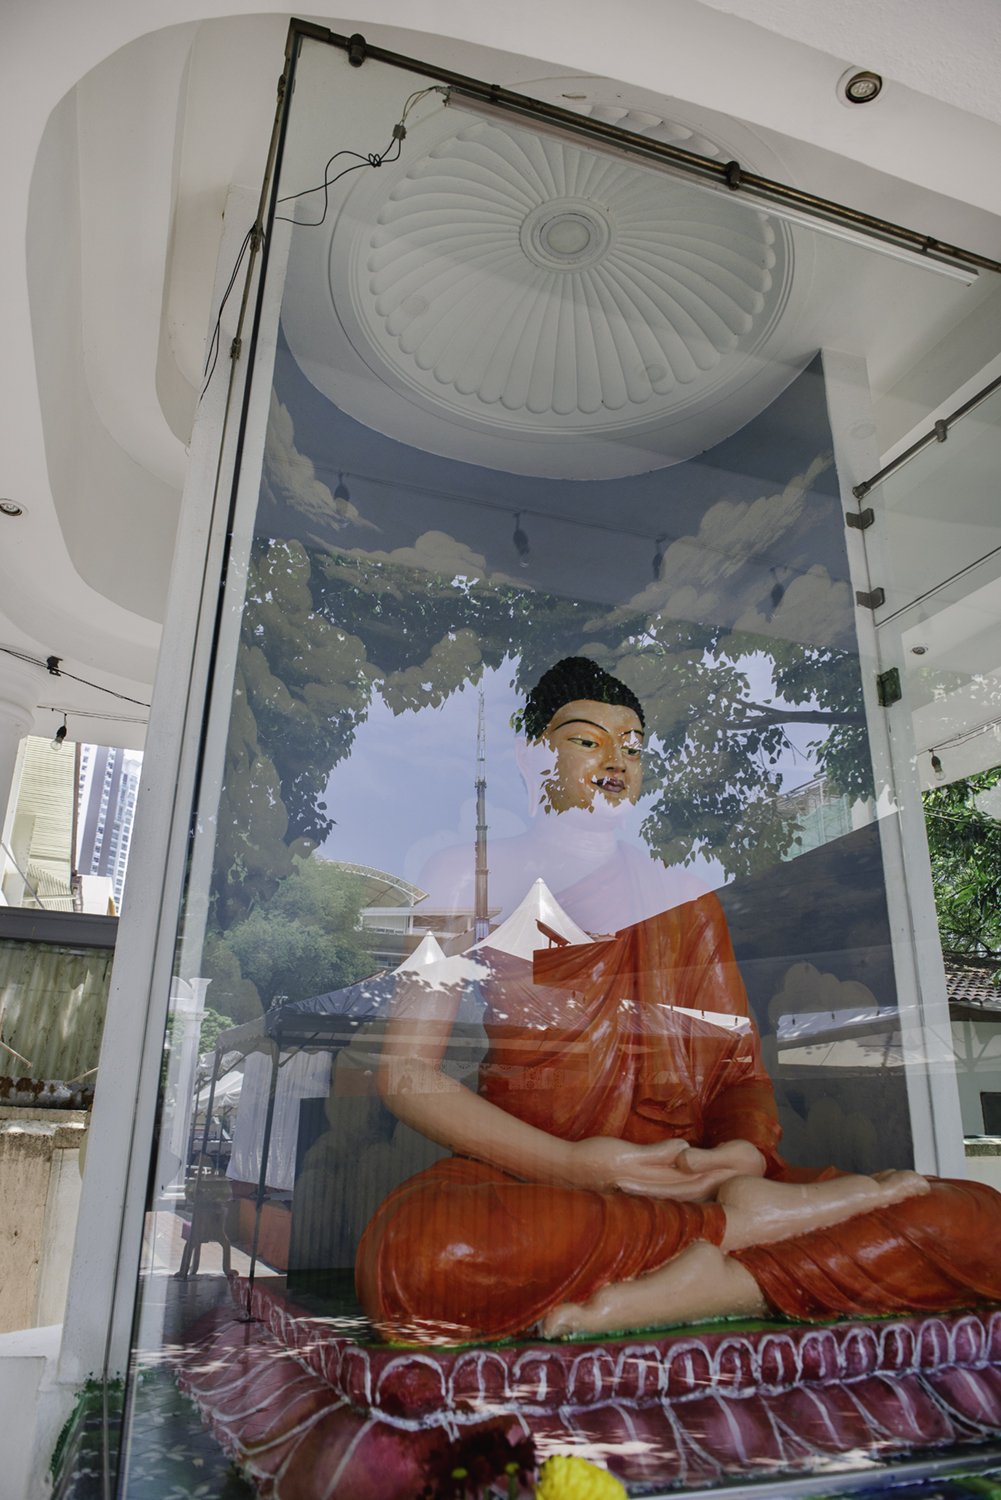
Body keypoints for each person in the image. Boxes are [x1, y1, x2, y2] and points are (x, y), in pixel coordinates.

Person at [356, 657, 1001, 1344]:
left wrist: (744, 1157)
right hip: (535, 1181)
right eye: (587, 740)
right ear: (530, 755)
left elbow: (734, 1072)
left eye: (632, 747)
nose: (615, 761)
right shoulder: (464, 876)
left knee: (979, 1222)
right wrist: (573, 1165)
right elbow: (406, 1073)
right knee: (424, 1258)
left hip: (689, 1174)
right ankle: (738, 1236)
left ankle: (725, 1271)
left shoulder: (680, 896)